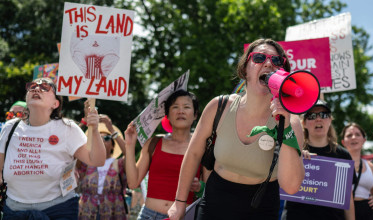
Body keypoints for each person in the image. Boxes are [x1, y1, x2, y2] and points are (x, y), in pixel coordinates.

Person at [168, 38, 305, 220]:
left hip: (261, 209)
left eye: (276, 61)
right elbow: (193, 154)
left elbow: (291, 186)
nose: (268, 64)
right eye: (259, 58)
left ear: (282, 72)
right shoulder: (219, 106)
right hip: (214, 205)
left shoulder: (292, 122)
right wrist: (179, 203)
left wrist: (285, 125)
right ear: (244, 69)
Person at [0, 77, 106, 219]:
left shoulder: (67, 128)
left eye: (45, 87)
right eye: (32, 86)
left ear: (55, 103)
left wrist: (94, 129)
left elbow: (97, 160)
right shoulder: (9, 128)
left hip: (58, 210)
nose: (36, 89)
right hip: (14, 211)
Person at [125, 89, 202, 220]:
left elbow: (212, 188)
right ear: (167, 115)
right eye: (175, 107)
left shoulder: (202, 147)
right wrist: (130, 145)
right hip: (148, 215)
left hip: (184, 216)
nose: (181, 111)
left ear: (195, 115)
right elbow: (133, 183)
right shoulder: (154, 143)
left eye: (186, 107)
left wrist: (200, 187)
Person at [285, 100, 355, 220]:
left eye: (323, 115)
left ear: (330, 120)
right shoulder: (292, 152)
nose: (318, 119)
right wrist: (296, 157)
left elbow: (347, 197)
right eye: (312, 116)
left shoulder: (343, 155)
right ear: (304, 123)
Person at [77, 111, 127, 219]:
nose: (103, 141)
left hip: (113, 212)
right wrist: (84, 122)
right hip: (87, 211)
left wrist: (111, 130)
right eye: (99, 138)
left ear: (113, 146)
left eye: (107, 138)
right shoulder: (86, 162)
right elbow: (74, 142)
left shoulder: (119, 163)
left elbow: (129, 154)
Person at [341, 123, 373, 220]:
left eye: (357, 134)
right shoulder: (336, 163)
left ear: (364, 140)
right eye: (349, 135)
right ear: (343, 142)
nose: (353, 137)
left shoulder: (370, 167)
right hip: (343, 212)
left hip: (367, 213)